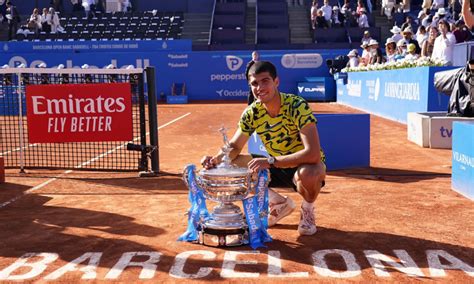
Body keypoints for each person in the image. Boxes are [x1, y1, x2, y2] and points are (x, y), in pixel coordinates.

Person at [201, 61, 326, 236]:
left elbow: (312, 153)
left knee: (309, 174)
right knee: (233, 163)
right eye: (254, 83)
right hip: (275, 164)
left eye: (265, 81)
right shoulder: (252, 113)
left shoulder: (297, 105)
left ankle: (307, 209)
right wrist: (215, 160)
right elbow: (234, 147)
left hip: (303, 165)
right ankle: (278, 203)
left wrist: (270, 161)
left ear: (276, 82)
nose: (259, 87)